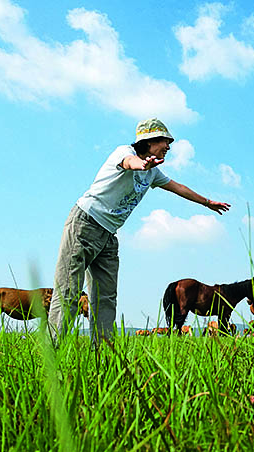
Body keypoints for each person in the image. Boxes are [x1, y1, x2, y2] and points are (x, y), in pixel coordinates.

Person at [48, 118, 230, 347]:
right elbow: (128, 162)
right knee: (69, 292)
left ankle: (102, 356)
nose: (169, 147)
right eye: (165, 141)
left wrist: (207, 202)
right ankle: (52, 354)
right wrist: (141, 165)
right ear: (149, 140)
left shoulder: (154, 173)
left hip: (108, 236)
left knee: (105, 299)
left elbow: (178, 187)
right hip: (84, 225)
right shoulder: (124, 152)